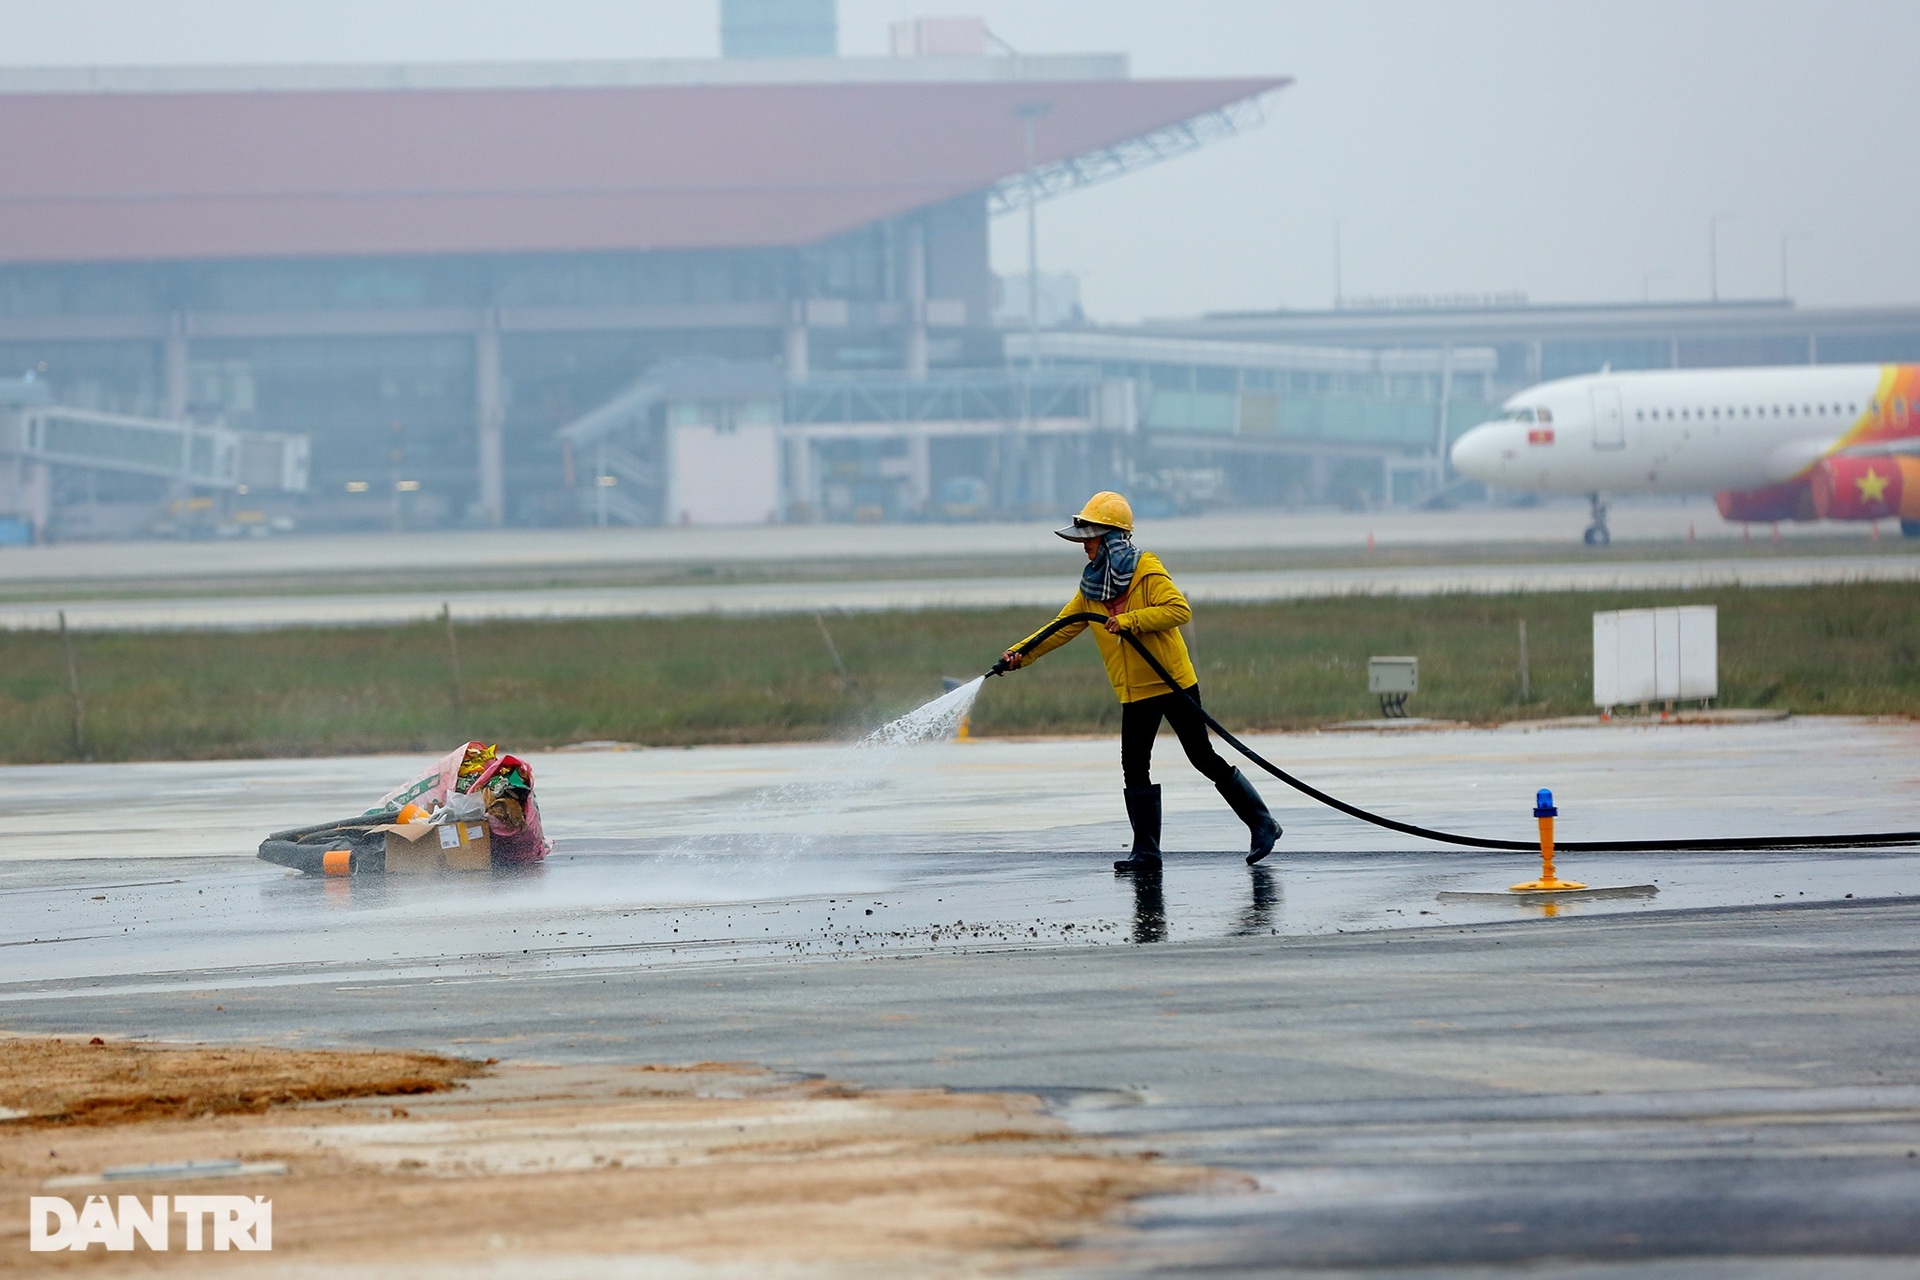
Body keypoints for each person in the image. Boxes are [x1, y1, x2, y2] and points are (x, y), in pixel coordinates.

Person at [998, 491, 1281, 874]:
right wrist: (1019, 655)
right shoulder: (1090, 589)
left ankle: (1263, 824)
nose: (1085, 549)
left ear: (1111, 538)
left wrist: (1130, 621)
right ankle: (1146, 853)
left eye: (1090, 540)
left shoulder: (1146, 569)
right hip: (1134, 692)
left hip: (1173, 683)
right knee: (1134, 766)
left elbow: (1177, 609)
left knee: (1201, 757)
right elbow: (1059, 628)